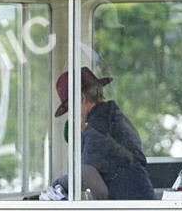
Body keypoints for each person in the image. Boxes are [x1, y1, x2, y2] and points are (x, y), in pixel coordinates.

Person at [46, 66, 156, 201]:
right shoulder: (114, 117)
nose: (73, 115)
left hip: (131, 208)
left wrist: (58, 184)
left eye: (71, 107)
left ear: (81, 99)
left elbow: (88, 175)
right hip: (143, 204)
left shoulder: (96, 128)